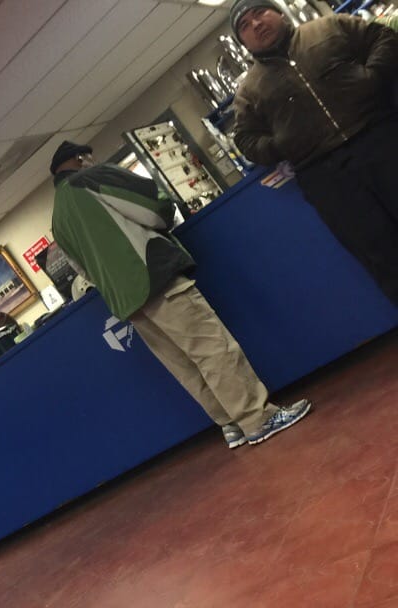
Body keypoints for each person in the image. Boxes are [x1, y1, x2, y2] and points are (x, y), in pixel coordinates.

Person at [48, 139, 311, 447]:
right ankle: (258, 419)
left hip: (126, 301)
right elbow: (154, 206)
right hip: (154, 276)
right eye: (89, 157)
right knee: (213, 350)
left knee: (185, 366)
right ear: (81, 158)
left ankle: (230, 424)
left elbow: (83, 271)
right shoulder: (91, 177)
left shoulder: (57, 220)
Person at [231, 0, 398, 305]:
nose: (255, 24)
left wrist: (373, 76)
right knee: (383, 257)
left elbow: (382, 38)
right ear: (244, 42)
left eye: (259, 13)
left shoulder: (329, 27)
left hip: (380, 139)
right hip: (327, 178)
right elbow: (244, 138)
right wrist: (281, 144)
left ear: (278, 13)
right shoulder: (249, 90)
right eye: (244, 25)